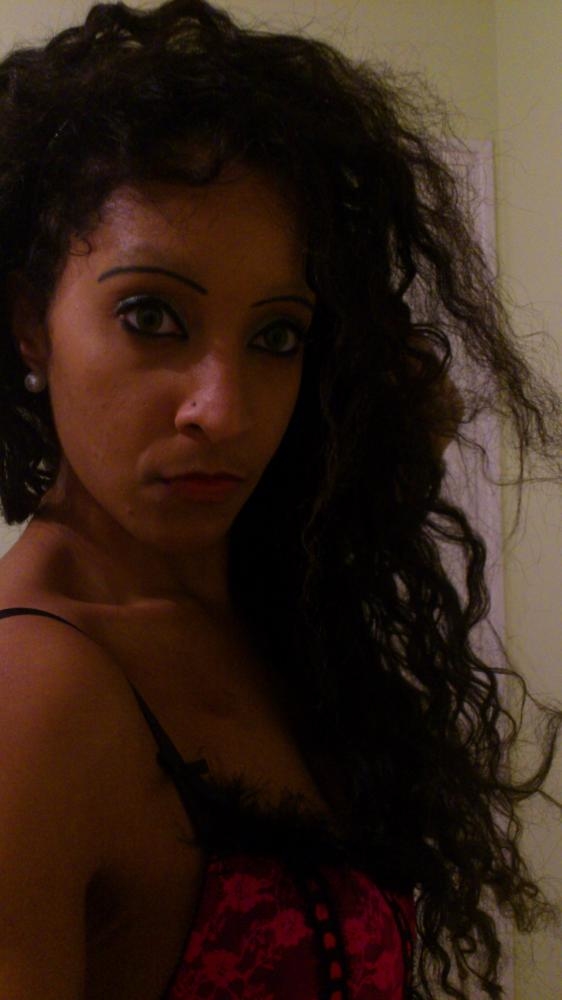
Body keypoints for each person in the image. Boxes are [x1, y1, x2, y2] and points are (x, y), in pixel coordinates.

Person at [0, 1, 559, 998]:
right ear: (30, 323)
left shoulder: (273, 598)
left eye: (275, 335)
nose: (223, 410)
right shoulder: (30, 698)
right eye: (151, 315)